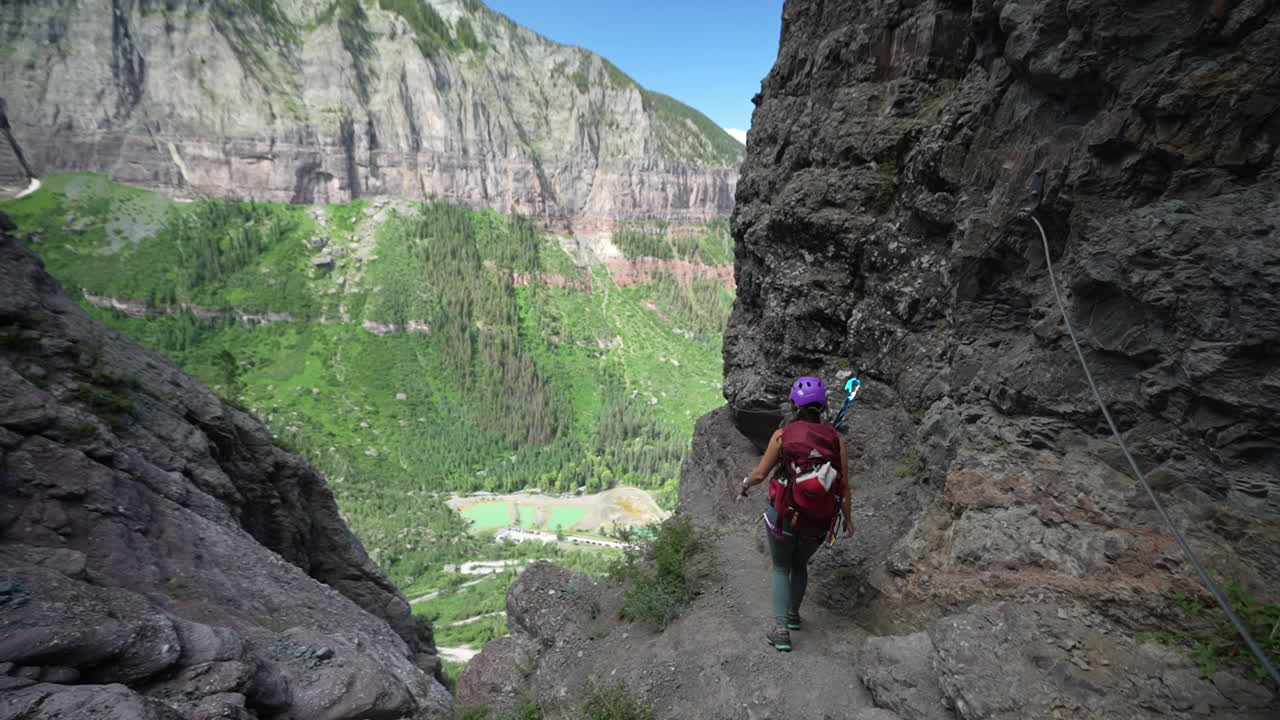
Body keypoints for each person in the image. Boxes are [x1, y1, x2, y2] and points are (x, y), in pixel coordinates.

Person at [739, 376, 853, 651]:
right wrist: (848, 519)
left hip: (785, 513)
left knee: (781, 567)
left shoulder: (783, 436)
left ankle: (780, 630)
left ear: (793, 404)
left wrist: (745, 485)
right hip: (820, 518)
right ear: (823, 406)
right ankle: (792, 615)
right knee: (800, 565)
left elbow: (760, 473)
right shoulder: (837, 441)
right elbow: (844, 486)